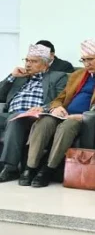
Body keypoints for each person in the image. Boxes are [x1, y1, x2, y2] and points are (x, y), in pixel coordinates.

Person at [23, 39, 95, 187]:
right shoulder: (77, 75)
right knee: (44, 122)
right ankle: (30, 167)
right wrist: (56, 107)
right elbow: (60, 98)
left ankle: (48, 169)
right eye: (84, 60)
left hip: (84, 118)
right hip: (63, 113)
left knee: (67, 126)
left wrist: (85, 115)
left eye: (90, 59)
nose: (87, 64)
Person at [0, 44, 69, 182]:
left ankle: (10, 168)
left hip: (34, 115)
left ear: (45, 64)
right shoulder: (19, 76)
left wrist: (43, 108)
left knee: (16, 119)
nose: (28, 64)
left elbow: (61, 99)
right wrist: (11, 77)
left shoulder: (58, 76)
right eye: (26, 60)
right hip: (11, 113)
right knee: (14, 117)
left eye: (33, 61)